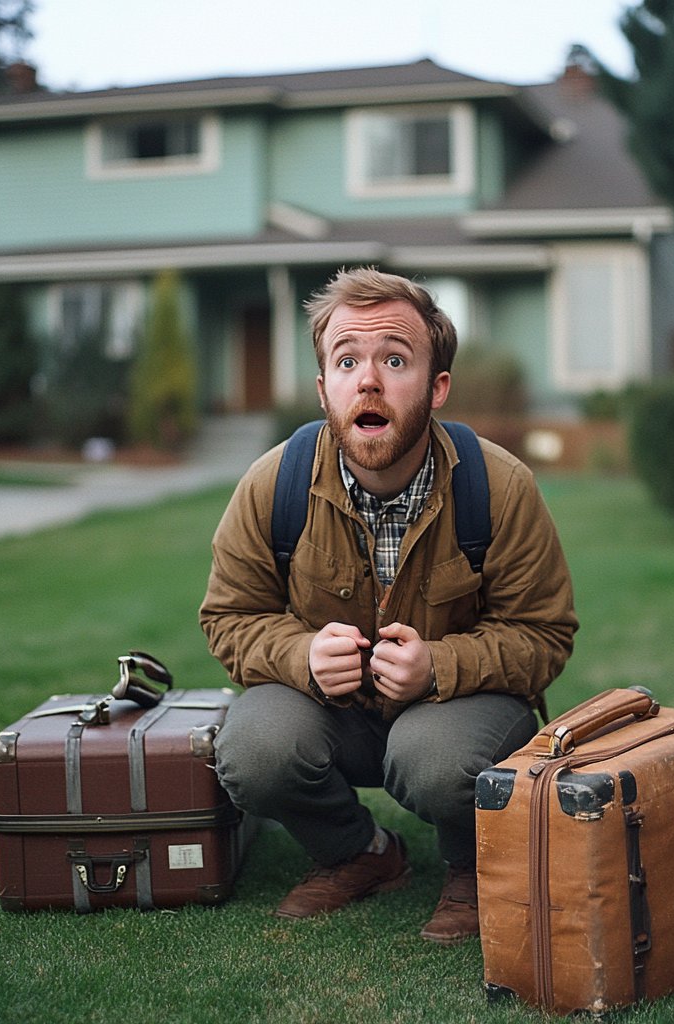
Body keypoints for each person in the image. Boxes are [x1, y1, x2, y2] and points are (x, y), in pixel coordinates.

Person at [200, 267, 577, 944]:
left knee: (435, 760)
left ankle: (473, 868)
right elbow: (229, 618)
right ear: (324, 388)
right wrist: (302, 655)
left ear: (437, 387)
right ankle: (358, 853)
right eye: (347, 361)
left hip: (458, 715)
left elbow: (544, 634)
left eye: (395, 360)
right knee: (253, 748)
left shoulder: (499, 485)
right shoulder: (273, 483)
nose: (368, 381)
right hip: (332, 712)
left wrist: (438, 666)